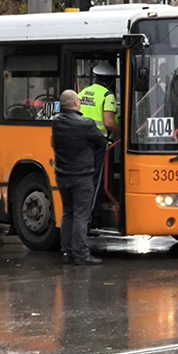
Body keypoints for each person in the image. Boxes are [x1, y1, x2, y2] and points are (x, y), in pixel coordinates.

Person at [51, 90, 106, 266]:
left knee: (68, 213)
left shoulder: (57, 123)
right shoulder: (86, 124)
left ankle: (67, 252)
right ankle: (82, 254)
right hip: (82, 177)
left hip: (62, 175)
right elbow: (100, 141)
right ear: (76, 104)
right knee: (81, 215)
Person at [78, 62, 121, 223]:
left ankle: (83, 214)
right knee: (98, 182)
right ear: (110, 81)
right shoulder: (107, 96)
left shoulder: (83, 92)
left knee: (83, 180)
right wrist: (123, 134)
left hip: (81, 144)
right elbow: (109, 123)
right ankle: (91, 217)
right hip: (100, 145)